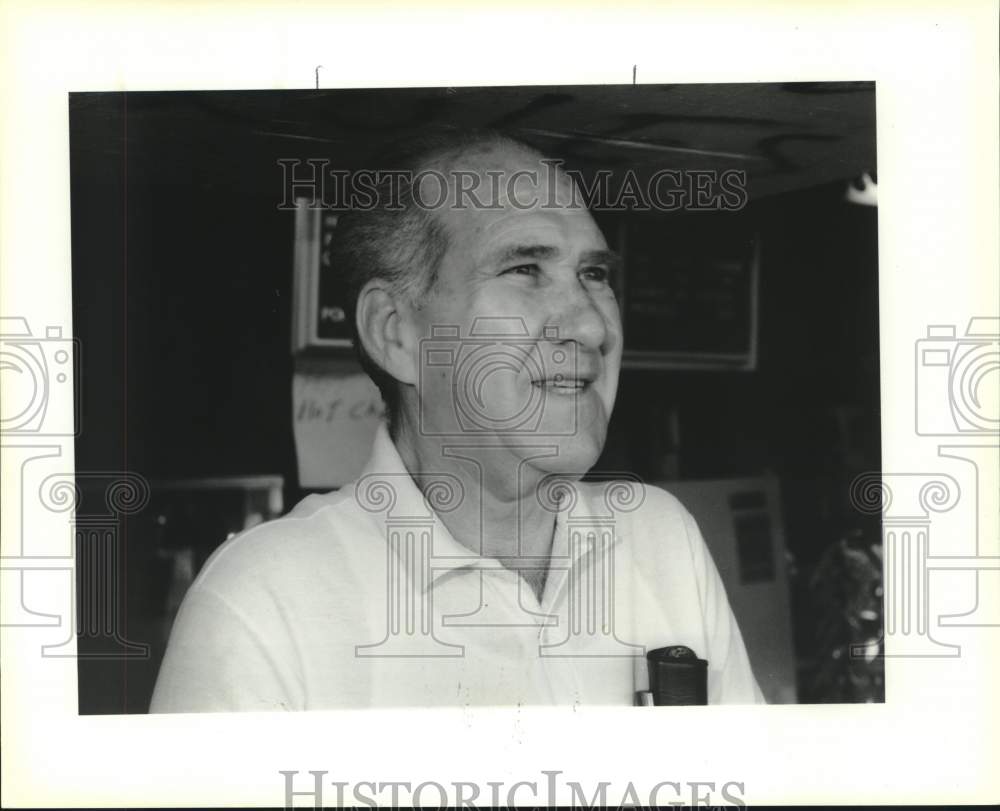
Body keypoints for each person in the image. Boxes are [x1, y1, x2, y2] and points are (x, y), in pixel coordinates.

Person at [150, 129, 764, 712]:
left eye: (594, 275)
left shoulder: (659, 538)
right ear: (397, 333)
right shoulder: (265, 603)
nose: (592, 326)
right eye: (525, 270)